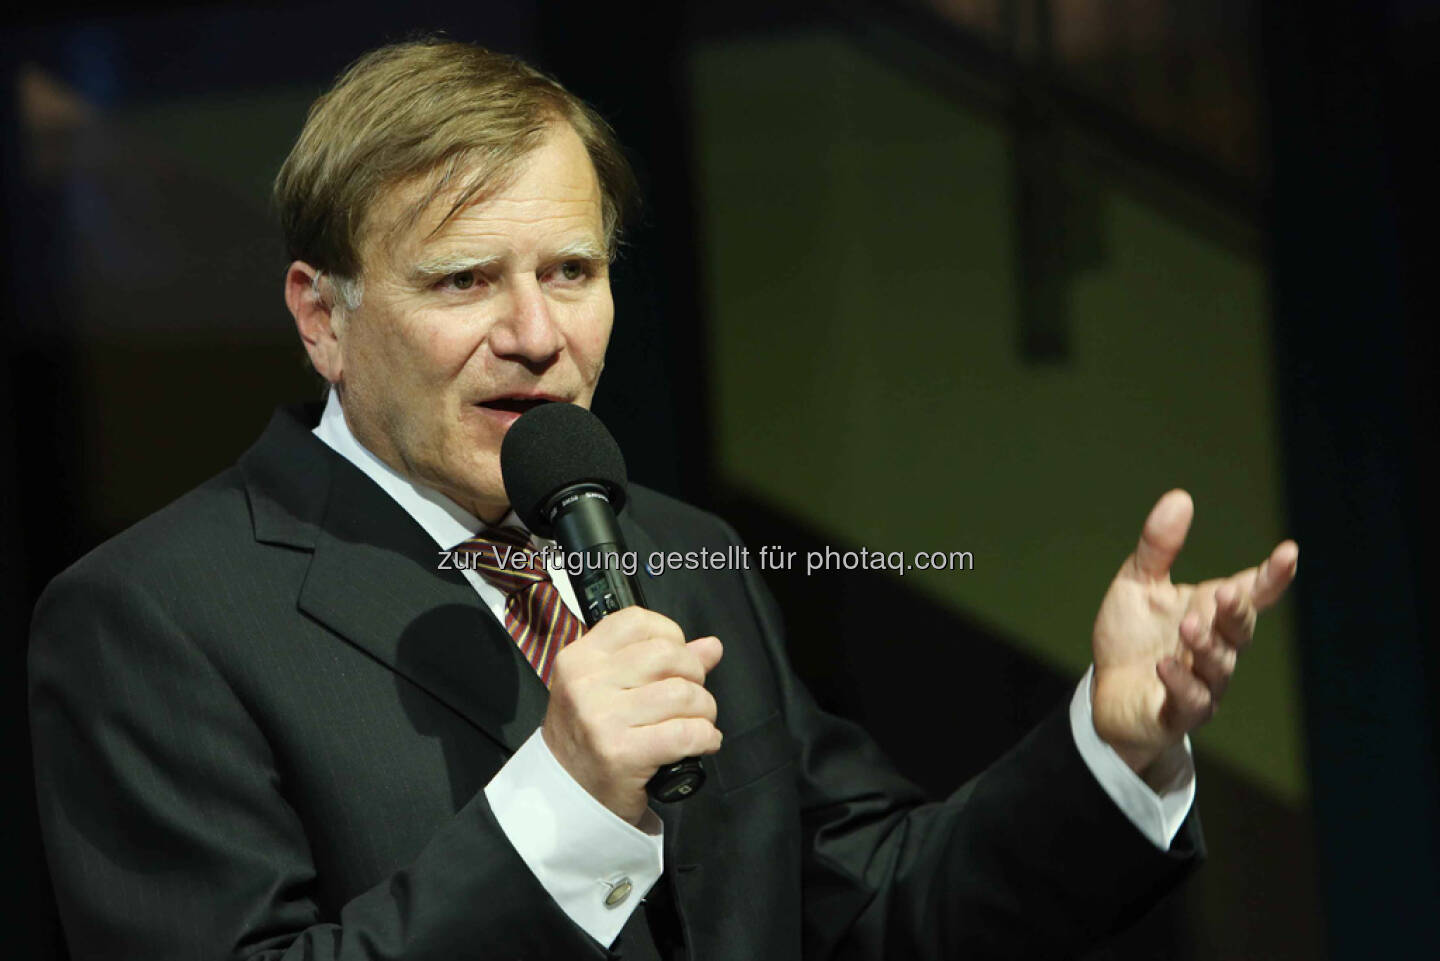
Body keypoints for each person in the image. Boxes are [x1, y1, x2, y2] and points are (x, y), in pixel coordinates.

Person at [28, 39, 1298, 960]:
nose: (536, 333)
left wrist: (1116, 745)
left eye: (572, 270)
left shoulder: (676, 556)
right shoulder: (153, 616)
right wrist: (565, 805)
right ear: (322, 316)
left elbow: (880, 906)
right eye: (466, 281)